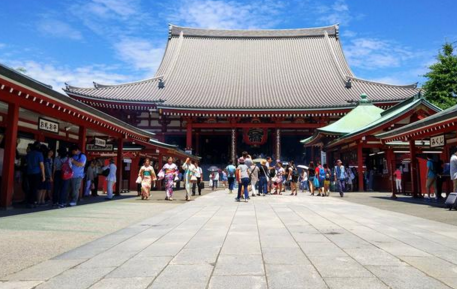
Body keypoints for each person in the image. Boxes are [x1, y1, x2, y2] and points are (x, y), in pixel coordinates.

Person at [26, 141, 45, 208]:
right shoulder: (39, 154)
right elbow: (41, 165)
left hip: (29, 172)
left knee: (30, 187)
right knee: (34, 188)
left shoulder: (29, 153)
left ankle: (28, 201)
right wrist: (43, 175)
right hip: (36, 172)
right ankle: (32, 202)